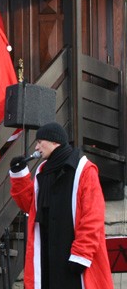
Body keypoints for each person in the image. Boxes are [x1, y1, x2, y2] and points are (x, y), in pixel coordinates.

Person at [9, 122, 114, 289]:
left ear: (54, 142)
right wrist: (19, 175)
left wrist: (81, 254)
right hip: (48, 252)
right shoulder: (43, 171)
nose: (36, 147)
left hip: (72, 252)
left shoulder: (84, 170)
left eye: (39, 142)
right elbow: (30, 206)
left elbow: (93, 216)